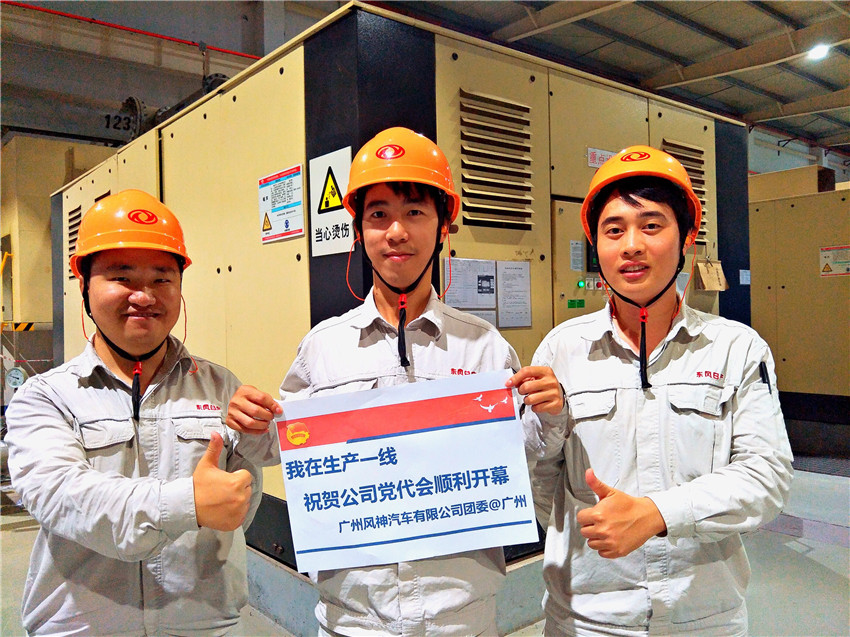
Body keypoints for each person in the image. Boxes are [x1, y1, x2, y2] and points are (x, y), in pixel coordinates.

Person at [227, 127, 521, 636]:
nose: (396, 232)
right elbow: (284, 445)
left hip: (462, 620)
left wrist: (550, 416)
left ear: (443, 226)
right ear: (359, 231)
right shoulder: (323, 346)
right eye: (378, 215)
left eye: (415, 213)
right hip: (354, 620)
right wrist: (251, 426)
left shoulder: (485, 346)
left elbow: (525, 458)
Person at [509, 146, 793, 636]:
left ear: (687, 238)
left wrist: (658, 514)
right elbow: (537, 488)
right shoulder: (562, 349)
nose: (632, 245)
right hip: (587, 620)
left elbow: (767, 478)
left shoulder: (736, 348)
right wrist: (547, 426)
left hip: (703, 619)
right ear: (596, 245)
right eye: (614, 230)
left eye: (652, 225)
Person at [6, 190, 279, 636]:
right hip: (83, 628)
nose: (144, 296)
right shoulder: (47, 397)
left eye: (161, 279)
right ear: (84, 285)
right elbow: (64, 497)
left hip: (202, 625)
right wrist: (187, 503)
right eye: (122, 277)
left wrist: (264, 430)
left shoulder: (219, 386)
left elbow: (244, 502)